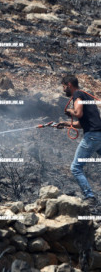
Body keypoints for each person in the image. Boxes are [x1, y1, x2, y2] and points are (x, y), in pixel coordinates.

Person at [57, 75, 101, 208]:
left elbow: (78, 113)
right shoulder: (87, 97)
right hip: (98, 135)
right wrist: (65, 124)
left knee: (76, 168)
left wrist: (70, 111)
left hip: (92, 137)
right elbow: (83, 123)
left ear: (69, 84)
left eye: (64, 87)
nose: (63, 90)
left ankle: (90, 197)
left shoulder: (77, 94)